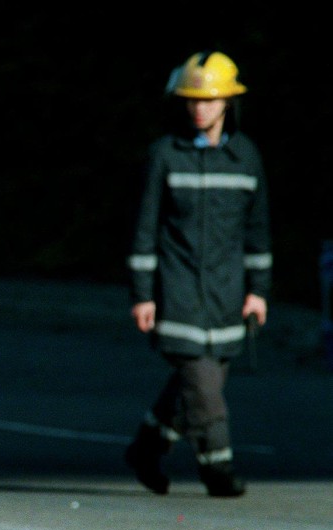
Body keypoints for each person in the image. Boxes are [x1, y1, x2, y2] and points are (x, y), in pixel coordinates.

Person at [123, 51, 272, 498]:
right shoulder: (165, 156)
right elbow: (145, 228)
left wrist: (258, 291)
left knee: (195, 385)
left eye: (208, 100)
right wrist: (143, 294)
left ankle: (146, 449)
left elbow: (257, 229)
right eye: (191, 100)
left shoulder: (246, 158)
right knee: (203, 386)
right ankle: (218, 468)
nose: (199, 108)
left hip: (227, 294)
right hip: (177, 292)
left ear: (228, 102)